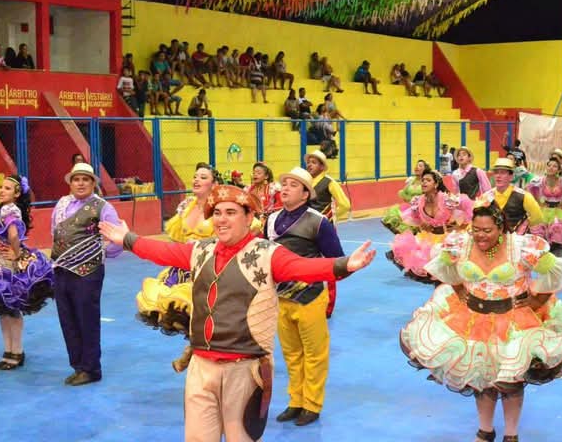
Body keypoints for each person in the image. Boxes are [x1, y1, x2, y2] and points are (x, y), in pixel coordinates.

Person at [98, 184, 375, 442]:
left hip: (245, 370)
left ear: (248, 217)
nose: (221, 219)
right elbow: (163, 251)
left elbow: (304, 268)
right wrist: (127, 239)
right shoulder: (201, 251)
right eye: (217, 213)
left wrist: (344, 265)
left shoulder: (267, 254)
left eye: (231, 212)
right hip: (200, 367)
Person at [401, 202, 562, 442]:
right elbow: (444, 268)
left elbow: (555, 272)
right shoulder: (460, 244)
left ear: (501, 228)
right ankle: (485, 431)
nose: (480, 235)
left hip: (514, 324)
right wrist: (459, 289)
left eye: (487, 230)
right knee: (481, 380)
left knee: (511, 382)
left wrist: (537, 299)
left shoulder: (522, 247)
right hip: (472, 321)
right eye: (476, 229)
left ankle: (511, 435)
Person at [265, 167, 345, 427]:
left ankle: (312, 405)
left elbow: (336, 259)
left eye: (293, 185)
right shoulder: (271, 220)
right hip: (281, 298)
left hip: (310, 296)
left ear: (305, 194)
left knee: (314, 354)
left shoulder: (318, 222)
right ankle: (296, 401)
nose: (285, 188)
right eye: (284, 184)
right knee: (291, 354)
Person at [51, 163, 123, 386]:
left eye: (85, 179)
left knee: (86, 319)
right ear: (70, 183)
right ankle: (78, 366)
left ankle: (91, 369)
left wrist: (101, 253)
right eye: (76, 179)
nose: (80, 183)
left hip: (87, 272)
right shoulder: (62, 204)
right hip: (61, 270)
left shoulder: (103, 207)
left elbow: (117, 237)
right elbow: (55, 231)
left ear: (93, 183)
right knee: (67, 319)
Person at [135, 163, 218, 339]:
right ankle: (194, 349)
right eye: (195, 176)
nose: (197, 180)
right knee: (181, 316)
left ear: (214, 184)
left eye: (203, 177)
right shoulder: (186, 206)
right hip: (183, 268)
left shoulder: (220, 208)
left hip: (208, 267)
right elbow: (177, 238)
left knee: (207, 319)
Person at [0, 175, 54, 370]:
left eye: (7, 188)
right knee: (5, 310)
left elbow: (13, 235)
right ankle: (10, 352)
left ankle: (16, 352)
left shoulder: (10, 211)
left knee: (10, 308)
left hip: (7, 266)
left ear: (17, 193)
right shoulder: (2, 209)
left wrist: (16, 252)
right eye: (1, 187)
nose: (1, 190)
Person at [389, 169, 473, 282]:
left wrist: (461, 226)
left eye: (428, 180)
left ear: (436, 184)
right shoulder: (417, 201)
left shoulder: (447, 199)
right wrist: (422, 225)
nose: (424, 182)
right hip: (427, 240)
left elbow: (467, 205)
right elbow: (414, 219)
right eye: (423, 180)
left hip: (445, 238)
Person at [304, 150, 351, 317]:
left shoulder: (329, 182)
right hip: (307, 230)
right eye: (308, 162)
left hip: (324, 230)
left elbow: (345, 204)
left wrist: (331, 218)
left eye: (314, 162)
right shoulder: (305, 182)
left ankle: (328, 306)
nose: (309, 165)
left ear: (322, 166)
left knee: (328, 266)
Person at [481, 158, 542, 235]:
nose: (498, 176)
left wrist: (524, 226)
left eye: (502, 173)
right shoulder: (486, 196)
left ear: (511, 176)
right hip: (491, 238)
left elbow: (538, 217)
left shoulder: (524, 196)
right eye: (496, 172)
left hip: (516, 238)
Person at [381, 159, 430, 234]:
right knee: (393, 218)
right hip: (409, 208)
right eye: (416, 165)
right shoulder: (410, 181)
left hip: (421, 211)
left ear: (425, 169)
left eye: (420, 166)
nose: (417, 167)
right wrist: (410, 199)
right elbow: (404, 193)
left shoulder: (426, 182)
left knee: (416, 232)